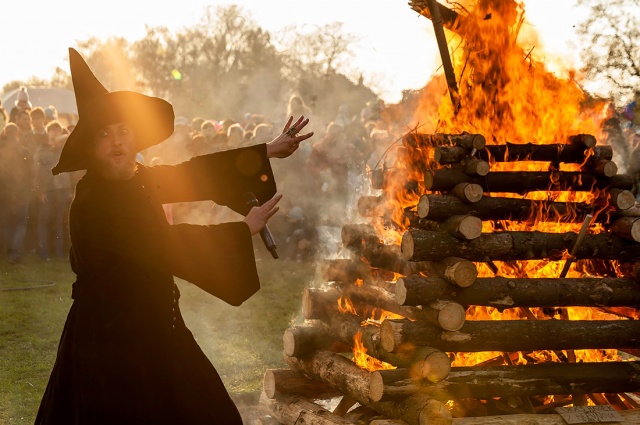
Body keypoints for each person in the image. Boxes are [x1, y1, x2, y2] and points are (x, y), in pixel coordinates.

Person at [35, 48, 313, 425]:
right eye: (104, 134)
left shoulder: (139, 178)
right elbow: (158, 244)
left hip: (158, 326)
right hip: (106, 343)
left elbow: (193, 172)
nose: (116, 141)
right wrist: (239, 229)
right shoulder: (92, 200)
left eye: (122, 130)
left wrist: (267, 150)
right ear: (90, 147)